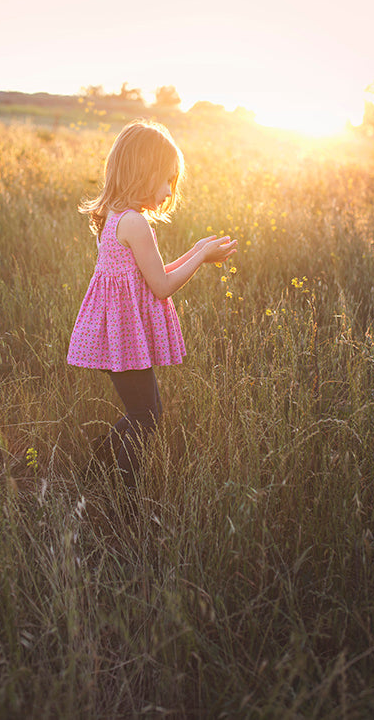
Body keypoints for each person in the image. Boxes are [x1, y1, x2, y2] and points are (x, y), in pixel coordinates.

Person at [67, 119, 237, 486]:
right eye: (166, 179)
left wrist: (195, 251)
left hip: (118, 336)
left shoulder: (115, 215)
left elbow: (149, 273)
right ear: (143, 171)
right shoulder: (135, 224)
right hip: (124, 339)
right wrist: (202, 258)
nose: (168, 190)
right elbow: (160, 286)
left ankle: (92, 473)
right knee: (147, 417)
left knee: (144, 413)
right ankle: (123, 498)